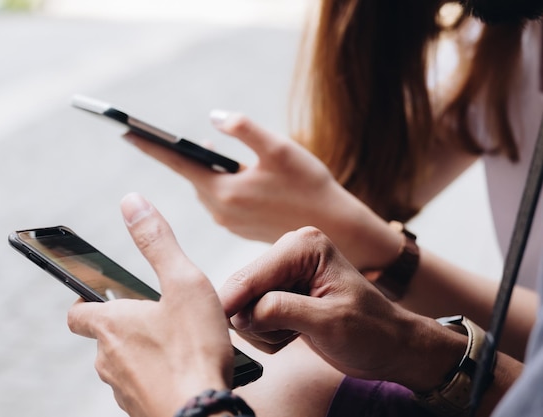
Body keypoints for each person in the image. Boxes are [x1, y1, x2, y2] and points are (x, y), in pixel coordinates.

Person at [67, 0, 543, 416]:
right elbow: (373, 184)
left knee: (289, 383)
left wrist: (188, 405)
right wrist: (408, 343)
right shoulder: (500, 41)